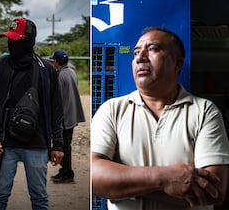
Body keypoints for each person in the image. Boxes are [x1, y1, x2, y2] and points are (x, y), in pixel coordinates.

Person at [91, 26, 229, 210]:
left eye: (153, 49)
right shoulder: (111, 110)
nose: (140, 58)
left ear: (177, 64)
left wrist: (123, 185)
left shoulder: (204, 112)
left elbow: (213, 191)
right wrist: (164, 179)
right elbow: (96, 180)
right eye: (136, 52)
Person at [0, 17, 64, 210]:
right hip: (4, 144)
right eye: (10, 39)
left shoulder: (47, 70)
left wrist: (57, 144)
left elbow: (57, 110)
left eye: (16, 40)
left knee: (39, 197)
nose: (12, 44)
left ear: (29, 41)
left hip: (37, 145)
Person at [49, 49, 85, 183]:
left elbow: (57, 99)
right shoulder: (71, 71)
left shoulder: (60, 75)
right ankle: (64, 170)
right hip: (72, 113)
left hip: (65, 116)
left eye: (53, 61)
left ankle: (67, 173)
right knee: (66, 144)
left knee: (64, 146)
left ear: (57, 62)